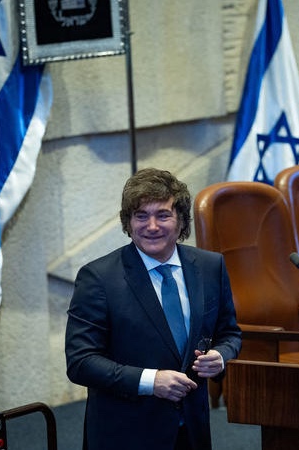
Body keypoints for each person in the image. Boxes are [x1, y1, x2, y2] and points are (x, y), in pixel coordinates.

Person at [65, 168, 242, 450]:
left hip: (193, 432)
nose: (151, 226)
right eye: (141, 216)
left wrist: (220, 357)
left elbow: (230, 333)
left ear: (181, 220)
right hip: (127, 434)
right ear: (128, 222)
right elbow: (81, 362)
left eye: (162, 215)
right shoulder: (98, 278)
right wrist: (151, 381)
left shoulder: (210, 267)